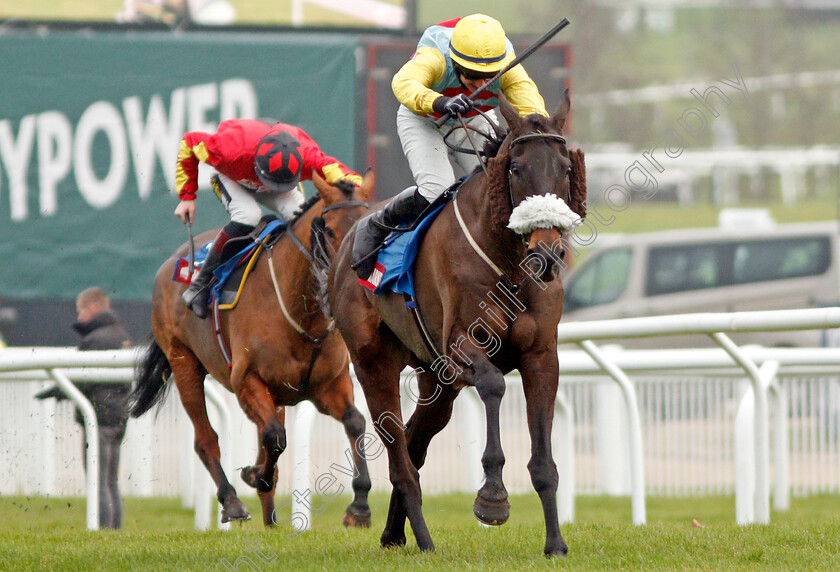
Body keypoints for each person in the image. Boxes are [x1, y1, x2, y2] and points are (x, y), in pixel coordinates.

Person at [353, 13, 549, 279]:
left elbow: (532, 109)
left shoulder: (509, 67)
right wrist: (439, 102)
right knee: (436, 191)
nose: (480, 84)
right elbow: (403, 82)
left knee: (499, 186)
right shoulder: (435, 56)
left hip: (472, 119)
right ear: (455, 63)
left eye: (489, 76)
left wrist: (540, 132)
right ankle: (379, 221)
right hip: (424, 119)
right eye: (472, 75)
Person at [174, 118, 363, 319]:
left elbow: (349, 178)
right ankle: (201, 284)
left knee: (300, 219)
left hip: (279, 178)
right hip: (235, 178)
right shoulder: (229, 151)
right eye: (271, 184)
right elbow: (189, 142)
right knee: (248, 215)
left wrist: (360, 195)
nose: (272, 189)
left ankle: (318, 285)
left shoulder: (309, 157)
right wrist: (186, 196)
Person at [35, 287, 132, 529]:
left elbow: (82, 379)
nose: (79, 318)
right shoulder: (121, 334)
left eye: (81, 311)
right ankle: (114, 532)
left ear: (92, 308)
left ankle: (103, 532)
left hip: (99, 418)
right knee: (110, 481)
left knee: (98, 481)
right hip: (118, 417)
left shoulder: (94, 339)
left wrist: (54, 390)